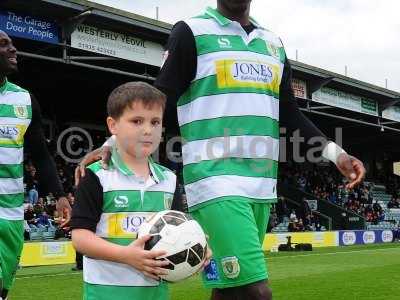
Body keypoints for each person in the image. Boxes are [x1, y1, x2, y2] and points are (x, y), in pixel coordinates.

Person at [76, 1, 365, 299]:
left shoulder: (273, 44)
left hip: (262, 185)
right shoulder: (191, 32)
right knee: (256, 292)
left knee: (229, 289)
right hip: (214, 181)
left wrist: (336, 154)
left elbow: (289, 112)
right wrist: (113, 143)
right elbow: (161, 95)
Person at [71, 82, 210, 299]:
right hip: (104, 294)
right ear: (112, 125)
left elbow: (180, 228)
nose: (148, 130)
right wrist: (126, 255)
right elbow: (80, 238)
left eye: (155, 122)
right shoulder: (96, 176)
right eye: (137, 121)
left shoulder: (170, 179)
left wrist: (198, 246)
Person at [0, 30, 71, 300]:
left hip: (11, 215)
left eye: (12, 44)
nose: (13, 49)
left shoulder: (25, 101)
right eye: (3, 45)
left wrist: (61, 194)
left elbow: (40, 155)